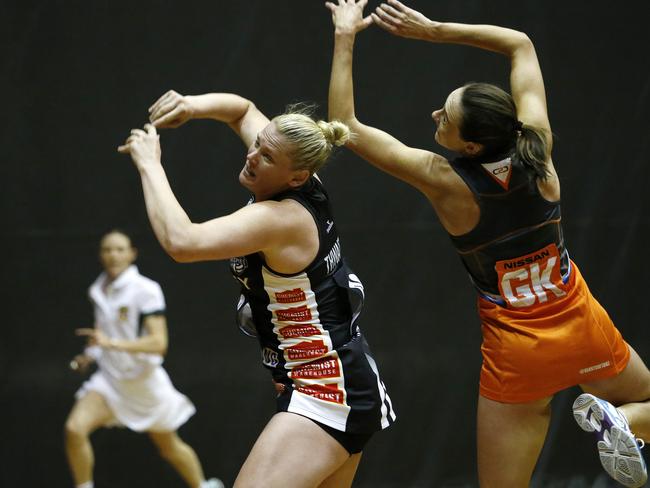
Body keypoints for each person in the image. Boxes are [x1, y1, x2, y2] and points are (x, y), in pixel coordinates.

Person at [325, 0, 650, 486]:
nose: (436, 113)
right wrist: (436, 31)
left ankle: (622, 423)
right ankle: (627, 422)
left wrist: (345, 35)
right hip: (582, 326)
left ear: (470, 147)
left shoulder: (445, 182)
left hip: (517, 356)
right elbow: (519, 43)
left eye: (446, 118)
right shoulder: (539, 145)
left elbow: (346, 127)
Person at [117, 90, 396, 488]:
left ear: (296, 177)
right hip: (336, 378)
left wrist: (149, 165)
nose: (252, 156)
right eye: (256, 144)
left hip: (326, 390)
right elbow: (242, 109)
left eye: (266, 157)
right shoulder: (300, 175)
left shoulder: (281, 218)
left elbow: (183, 242)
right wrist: (192, 106)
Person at [65, 230, 223, 488]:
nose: (113, 255)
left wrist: (110, 344)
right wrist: (89, 355)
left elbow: (159, 344)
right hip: (110, 381)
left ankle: (202, 486)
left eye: (119, 249)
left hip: (144, 383)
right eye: (107, 249)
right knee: (74, 429)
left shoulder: (146, 290)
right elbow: (103, 335)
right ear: (100, 255)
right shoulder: (98, 289)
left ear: (132, 254)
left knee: (169, 447)